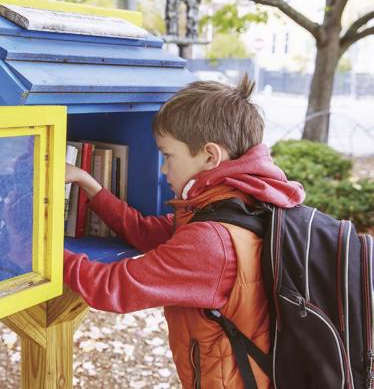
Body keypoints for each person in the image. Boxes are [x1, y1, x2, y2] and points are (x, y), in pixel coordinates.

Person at [63, 74, 305, 388]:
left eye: (168, 156)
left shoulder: (211, 241)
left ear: (209, 156)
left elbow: (112, 286)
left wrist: (37, 249)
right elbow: (148, 232)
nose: (164, 169)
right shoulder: (244, 199)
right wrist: (89, 183)